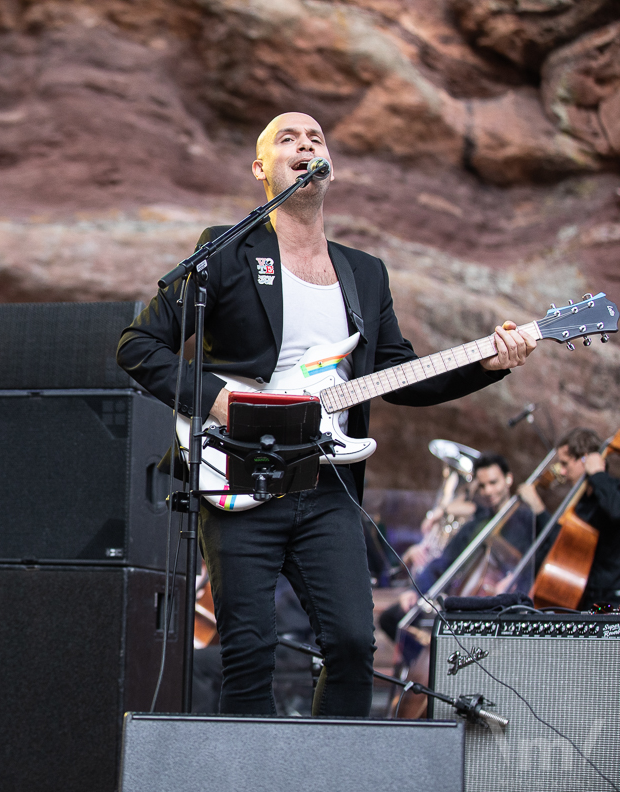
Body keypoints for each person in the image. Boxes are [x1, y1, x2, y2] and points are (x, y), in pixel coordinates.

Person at [116, 112, 534, 716]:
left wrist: (488, 364)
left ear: (328, 167)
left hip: (326, 480)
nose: (306, 144)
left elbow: (402, 377)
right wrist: (219, 398)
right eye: (288, 138)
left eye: (316, 138)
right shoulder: (225, 251)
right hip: (238, 468)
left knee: (350, 641)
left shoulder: (364, 272)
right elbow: (137, 346)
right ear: (262, 169)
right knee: (249, 650)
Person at [381, 453, 535, 641]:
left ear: (508, 479)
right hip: (467, 599)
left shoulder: (527, 519)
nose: (488, 491)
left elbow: (534, 563)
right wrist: (415, 591)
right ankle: (423, 662)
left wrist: (516, 584)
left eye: (494, 483)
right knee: (392, 618)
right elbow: (443, 563)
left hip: (503, 605)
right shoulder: (476, 524)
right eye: (482, 485)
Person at [518, 427, 620, 609]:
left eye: (565, 464)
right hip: (581, 600)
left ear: (585, 459)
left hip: (610, 603)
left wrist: (597, 474)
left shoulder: (611, 490)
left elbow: (616, 510)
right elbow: (558, 546)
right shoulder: (580, 503)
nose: (562, 472)